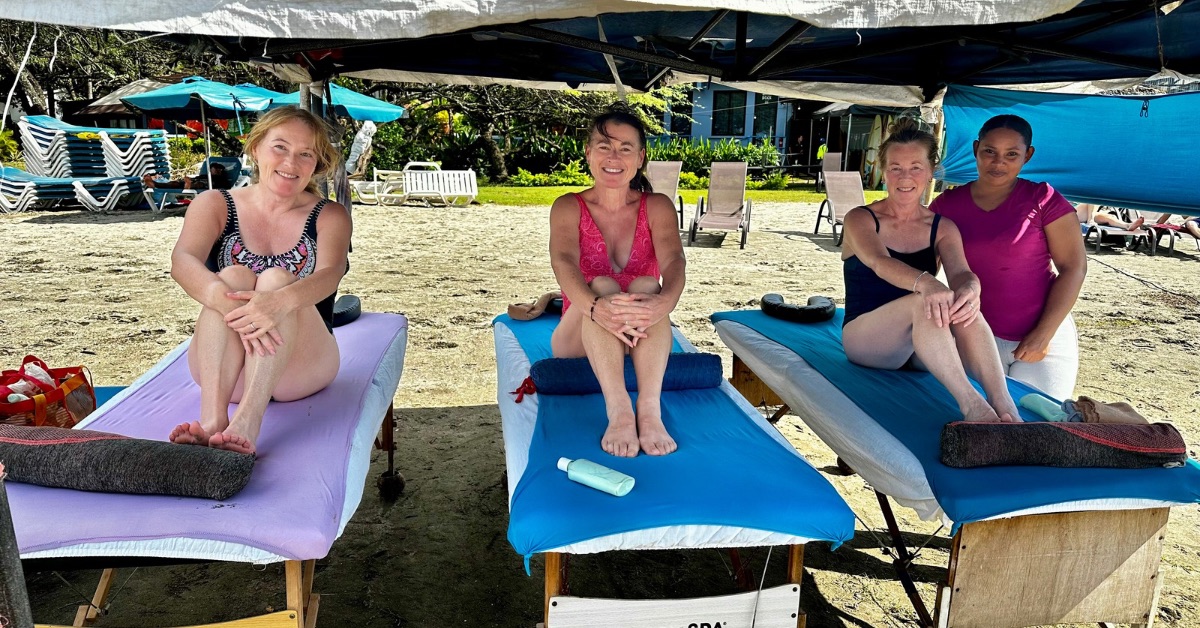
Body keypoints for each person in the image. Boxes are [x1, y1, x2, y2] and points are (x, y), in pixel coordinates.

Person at [167, 106, 351, 455]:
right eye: (279, 147)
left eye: (305, 154)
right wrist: (223, 299)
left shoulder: (330, 215)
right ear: (255, 148)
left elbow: (330, 273)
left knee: (276, 280)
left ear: (317, 164)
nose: (291, 162)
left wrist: (277, 303)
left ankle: (249, 420)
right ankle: (212, 420)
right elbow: (182, 260)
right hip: (224, 373)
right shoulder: (214, 203)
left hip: (300, 368)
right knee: (233, 277)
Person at [841, 118, 1019, 423]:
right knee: (927, 299)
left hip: (919, 347)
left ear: (931, 171)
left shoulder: (942, 227)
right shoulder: (860, 218)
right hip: (867, 340)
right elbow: (878, 262)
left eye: (915, 167)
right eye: (895, 167)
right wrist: (926, 282)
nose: (905, 176)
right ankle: (972, 405)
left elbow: (961, 273)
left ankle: (1004, 404)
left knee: (961, 304)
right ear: (883, 171)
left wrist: (970, 289)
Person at [549, 109, 687, 457]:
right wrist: (596, 308)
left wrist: (664, 302)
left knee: (645, 285)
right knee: (604, 287)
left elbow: (673, 260)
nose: (614, 157)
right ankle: (620, 410)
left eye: (626, 148)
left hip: (643, 331)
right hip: (579, 335)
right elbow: (562, 261)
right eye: (604, 146)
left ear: (640, 158)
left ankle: (649, 410)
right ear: (588, 152)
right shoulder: (568, 206)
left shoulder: (657, 206)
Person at [929, 115, 1087, 400]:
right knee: (979, 425)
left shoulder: (1044, 199)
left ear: (1028, 155)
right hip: (971, 335)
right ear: (976, 148)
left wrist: (1044, 333)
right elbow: (922, 271)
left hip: (1041, 337)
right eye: (989, 151)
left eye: (1011, 154)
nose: (998, 162)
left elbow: (1073, 267)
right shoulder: (945, 205)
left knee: (1037, 426)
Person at [143, 162, 233, 191]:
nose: (217, 170)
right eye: (214, 169)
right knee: (175, 183)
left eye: (218, 169)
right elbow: (197, 177)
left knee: (199, 184)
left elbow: (226, 187)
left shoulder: (222, 178)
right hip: (193, 181)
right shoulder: (204, 175)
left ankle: (189, 185)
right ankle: (154, 184)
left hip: (207, 185)